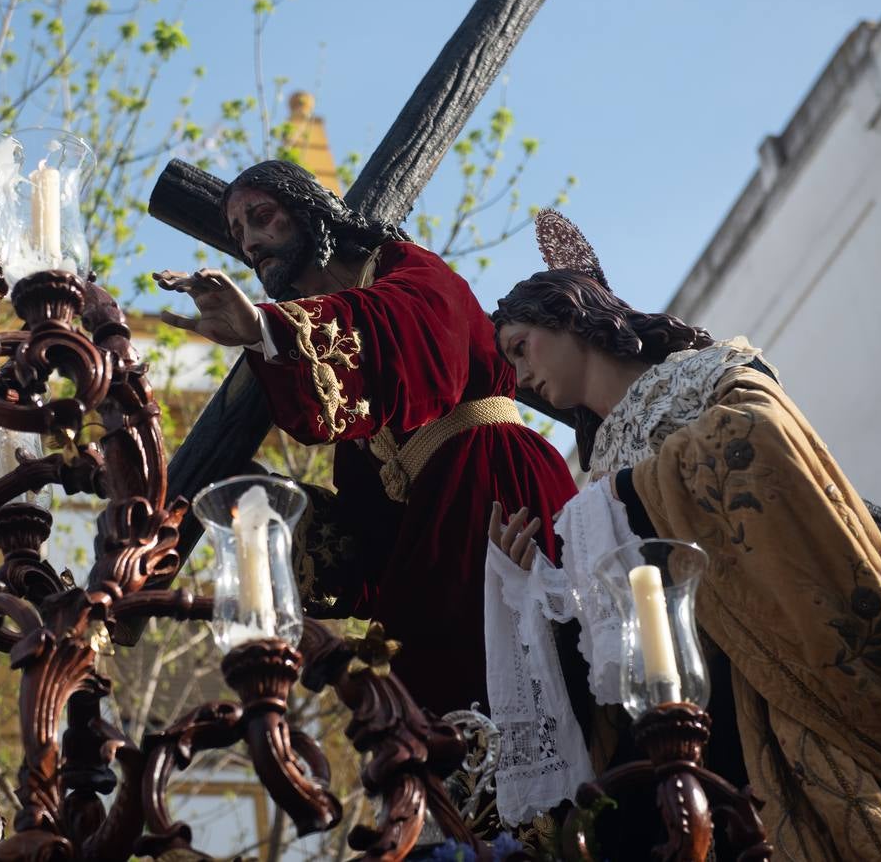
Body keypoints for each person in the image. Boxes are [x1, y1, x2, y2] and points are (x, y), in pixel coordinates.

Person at [486, 209, 881, 859]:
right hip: (705, 706)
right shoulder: (597, 471)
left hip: (790, 661)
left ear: (568, 315)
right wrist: (546, 588)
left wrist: (632, 497)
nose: (523, 377)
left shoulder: (709, 374)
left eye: (520, 348)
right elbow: (624, 627)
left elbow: (764, 444)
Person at [152, 160, 579, 715]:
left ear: (307, 211)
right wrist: (261, 511)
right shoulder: (362, 428)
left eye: (262, 217)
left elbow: (411, 333)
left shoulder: (409, 269)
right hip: (430, 537)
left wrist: (264, 328)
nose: (251, 242)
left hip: (497, 492)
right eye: (237, 232)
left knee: (537, 688)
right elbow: (366, 533)